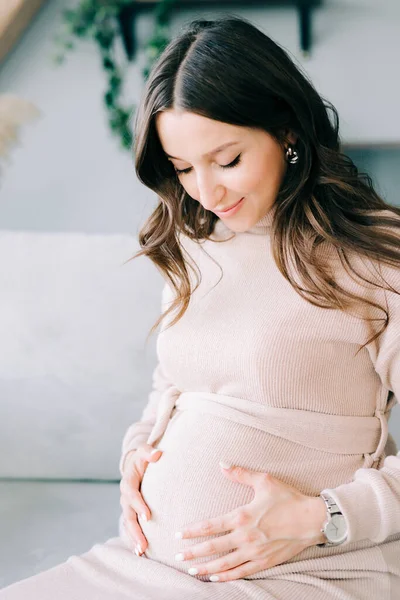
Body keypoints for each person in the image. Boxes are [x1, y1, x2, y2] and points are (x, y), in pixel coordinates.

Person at [2, 14, 400, 600]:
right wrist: (137, 453)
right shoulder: (195, 243)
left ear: (287, 131)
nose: (207, 193)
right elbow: (175, 385)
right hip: (142, 564)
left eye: (228, 159)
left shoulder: (374, 255)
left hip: (307, 568)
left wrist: (326, 517)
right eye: (184, 169)